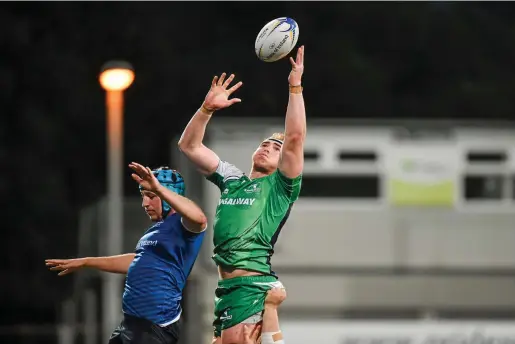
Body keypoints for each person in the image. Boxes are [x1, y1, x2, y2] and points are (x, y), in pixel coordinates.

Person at [178, 46, 306, 344]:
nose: (267, 148)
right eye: (264, 144)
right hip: (227, 289)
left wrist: (295, 86)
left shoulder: (281, 187)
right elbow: (189, 147)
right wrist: (206, 110)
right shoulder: (233, 179)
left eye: (276, 149)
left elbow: (296, 137)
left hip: (252, 285)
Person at [45, 162, 208, 344]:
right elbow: (137, 261)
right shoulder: (154, 231)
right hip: (131, 324)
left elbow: (200, 218)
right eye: (143, 196)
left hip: (155, 325)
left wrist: (159, 189)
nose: (145, 203)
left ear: (169, 195)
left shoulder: (184, 225)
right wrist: (85, 262)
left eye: (151, 196)